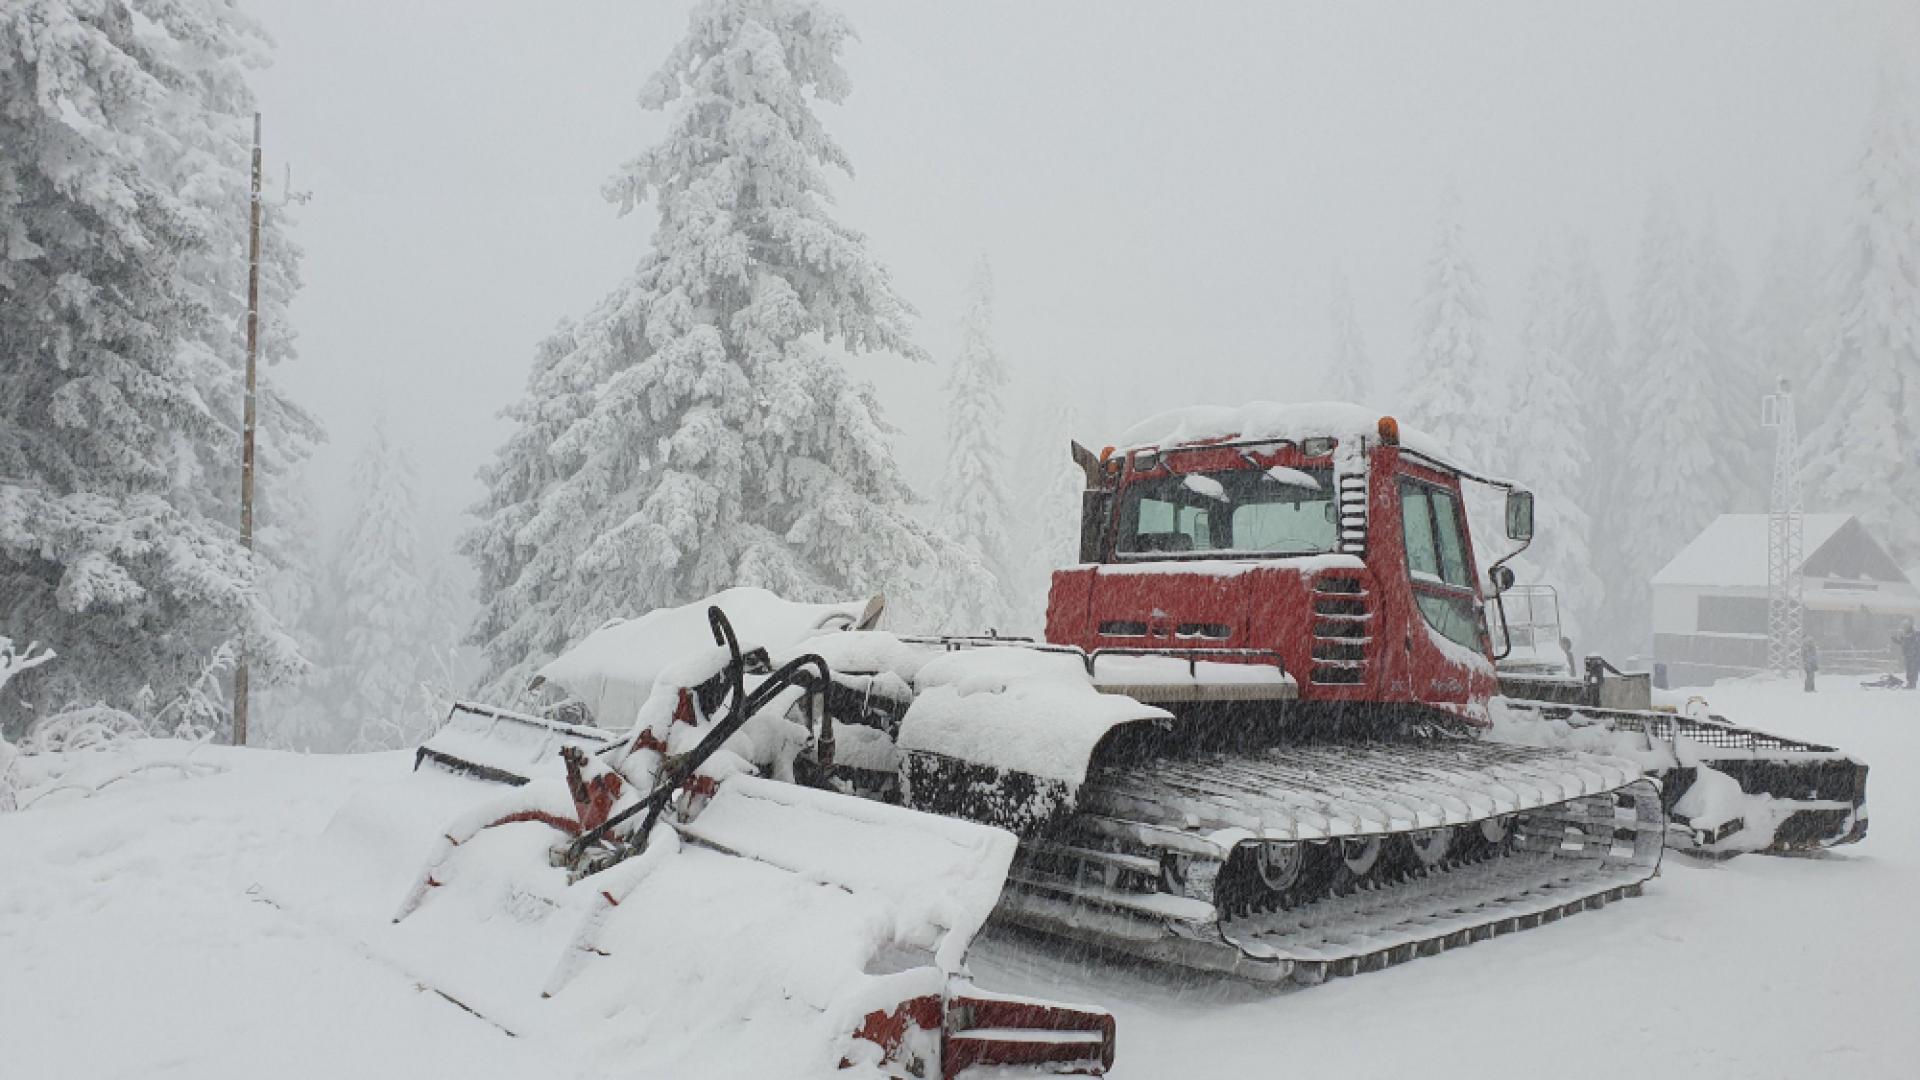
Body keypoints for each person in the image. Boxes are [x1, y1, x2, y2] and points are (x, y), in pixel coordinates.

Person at [1895, 619, 1920, 691]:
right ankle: (1910, 683)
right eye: (1904, 626)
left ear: (1909, 626)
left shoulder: (1916, 634)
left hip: (1915, 655)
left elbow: (1914, 643)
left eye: (1905, 626)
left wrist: (1914, 651)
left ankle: (1912, 684)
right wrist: (1897, 641)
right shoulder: (1905, 634)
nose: (1904, 628)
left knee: (1913, 670)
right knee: (1909, 669)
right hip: (1908, 655)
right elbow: (1903, 643)